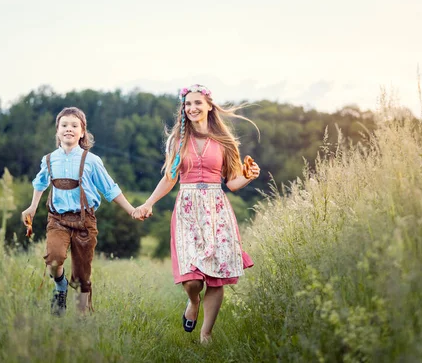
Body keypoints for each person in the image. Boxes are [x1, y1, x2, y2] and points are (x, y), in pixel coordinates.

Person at [133, 84, 261, 344]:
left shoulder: (225, 142)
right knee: (192, 278)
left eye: (197, 103)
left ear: (209, 106)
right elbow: (170, 179)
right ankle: (193, 302)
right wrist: (148, 203)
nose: (192, 108)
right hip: (188, 210)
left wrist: (248, 177)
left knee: (216, 279)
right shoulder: (178, 141)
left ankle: (206, 333)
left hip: (217, 210)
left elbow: (232, 183)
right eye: (188, 104)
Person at [22, 107, 139, 316]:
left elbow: (110, 188)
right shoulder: (49, 159)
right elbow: (40, 183)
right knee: (54, 258)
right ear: (57, 131)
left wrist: (131, 210)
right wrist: (32, 207)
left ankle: (81, 316)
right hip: (57, 219)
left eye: (75, 125)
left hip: (85, 221)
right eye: (64, 125)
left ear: (83, 132)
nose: (69, 129)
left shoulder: (92, 161)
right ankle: (60, 287)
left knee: (82, 275)